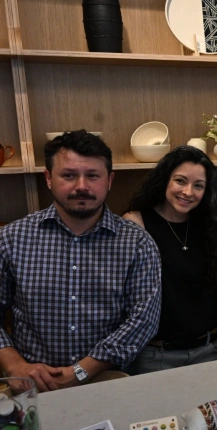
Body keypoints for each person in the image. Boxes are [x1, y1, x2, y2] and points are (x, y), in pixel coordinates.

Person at [0, 130, 161, 391]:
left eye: (93, 176)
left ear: (109, 181)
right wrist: (14, 364)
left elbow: (143, 320)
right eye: (69, 175)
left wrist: (82, 370)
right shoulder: (12, 239)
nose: (82, 186)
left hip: (110, 382)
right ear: (49, 178)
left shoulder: (137, 244)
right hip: (32, 385)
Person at [123, 146, 217, 373]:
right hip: (156, 356)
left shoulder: (211, 225)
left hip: (210, 352)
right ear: (164, 180)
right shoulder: (136, 223)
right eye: (180, 181)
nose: (188, 192)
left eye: (198, 186)